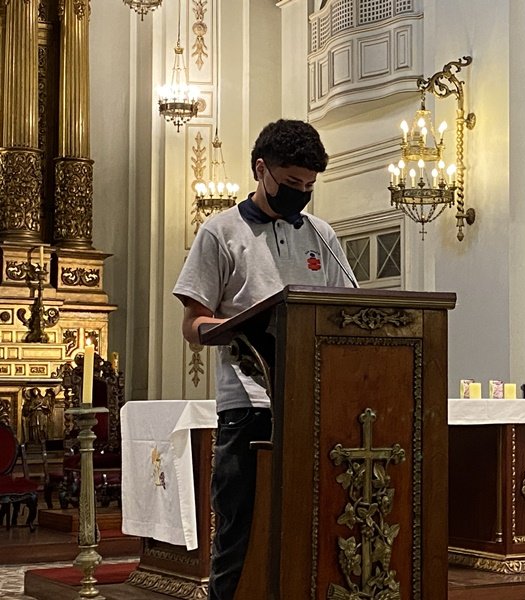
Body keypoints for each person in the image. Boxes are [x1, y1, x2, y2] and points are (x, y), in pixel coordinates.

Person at [173, 119, 356, 600]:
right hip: (248, 405)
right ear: (261, 169)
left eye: (309, 186)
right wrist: (237, 326)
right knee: (241, 527)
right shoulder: (220, 231)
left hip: (315, 403)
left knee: (314, 523)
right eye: (292, 182)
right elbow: (193, 325)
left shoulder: (321, 235)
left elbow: (348, 310)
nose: (302, 194)